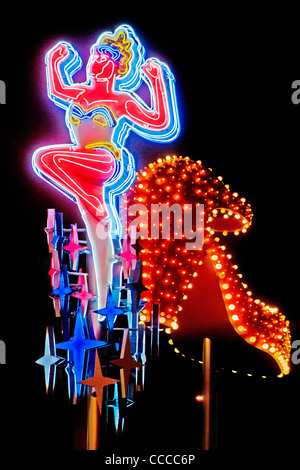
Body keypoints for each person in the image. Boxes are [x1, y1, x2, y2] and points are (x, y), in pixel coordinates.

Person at [32, 25, 180, 309]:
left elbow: (161, 123)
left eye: (103, 58)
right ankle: (104, 305)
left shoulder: (121, 101)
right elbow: (57, 88)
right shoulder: (78, 94)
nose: (94, 62)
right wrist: (54, 61)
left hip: (103, 161)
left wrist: (158, 81)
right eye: (94, 57)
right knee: (99, 231)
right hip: (76, 169)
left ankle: (86, 198)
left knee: (46, 158)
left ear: (117, 67)